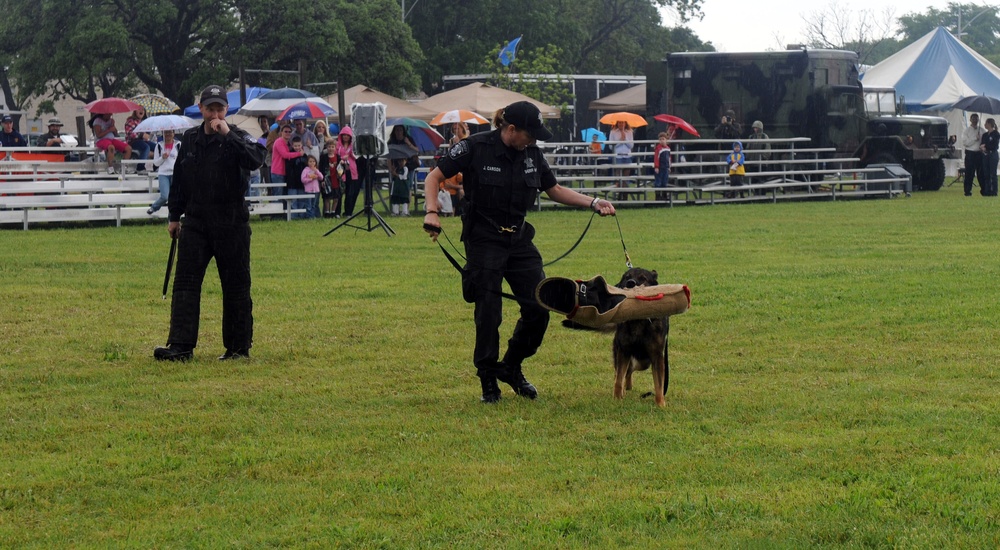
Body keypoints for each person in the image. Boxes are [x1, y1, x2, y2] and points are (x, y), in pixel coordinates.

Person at [422, 101, 617, 403]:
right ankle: (488, 379)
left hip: (519, 241)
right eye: (530, 134)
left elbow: (554, 190)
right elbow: (433, 177)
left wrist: (593, 202)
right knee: (489, 312)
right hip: (484, 239)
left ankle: (511, 366)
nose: (534, 140)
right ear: (510, 129)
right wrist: (432, 213)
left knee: (540, 305)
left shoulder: (532, 154)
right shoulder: (475, 147)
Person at [153, 84, 266, 362]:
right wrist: (173, 216)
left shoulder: (238, 136)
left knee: (236, 285)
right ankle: (180, 346)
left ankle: (238, 349)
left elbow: (256, 159)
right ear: (201, 109)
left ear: (227, 110)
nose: (214, 113)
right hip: (196, 221)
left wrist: (227, 134)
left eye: (220, 108)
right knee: (185, 285)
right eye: (209, 108)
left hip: (231, 221)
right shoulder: (189, 139)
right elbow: (179, 180)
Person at [147, 129, 179, 215]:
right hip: (163, 174)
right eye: (166, 132)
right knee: (165, 196)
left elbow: (181, 160)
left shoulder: (178, 145)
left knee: (173, 198)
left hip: (175, 174)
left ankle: (172, 218)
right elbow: (156, 163)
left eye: (170, 132)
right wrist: (162, 158)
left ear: (173, 133)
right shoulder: (159, 146)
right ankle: (154, 207)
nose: (168, 134)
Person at [336, 126, 361, 216]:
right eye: (344, 135)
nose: (345, 137)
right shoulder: (338, 145)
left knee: (350, 193)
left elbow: (356, 156)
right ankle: (337, 212)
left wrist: (350, 154)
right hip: (341, 170)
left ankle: (348, 212)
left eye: (347, 135)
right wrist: (342, 158)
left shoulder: (353, 145)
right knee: (339, 191)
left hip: (351, 170)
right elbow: (336, 155)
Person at [270, 124, 301, 193]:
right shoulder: (279, 141)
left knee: (283, 196)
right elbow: (285, 155)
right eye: (285, 131)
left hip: (284, 172)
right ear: (281, 132)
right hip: (277, 172)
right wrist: (299, 154)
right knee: (278, 196)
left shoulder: (288, 143)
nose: (288, 133)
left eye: (289, 132)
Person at [284, 136, 310, 218]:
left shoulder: (305, 156)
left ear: (302, 145)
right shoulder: (289, 155)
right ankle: (294, 216)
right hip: (292, 182)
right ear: (292, 145)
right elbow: (288, 168)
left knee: (302, 200)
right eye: (295, 146)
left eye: (299, 145)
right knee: (293, 200)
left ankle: (302, 216)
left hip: (302, 182)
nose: (297, 147)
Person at [125, 108, 155, 174]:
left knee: (157, 147)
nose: (141, 111)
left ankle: (156, 166)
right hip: (133, 141)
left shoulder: (144, 122)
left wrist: (148, 132)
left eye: (143, 110)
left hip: (143, 141)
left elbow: (147, 135)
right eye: (139, 109)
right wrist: (142, 135)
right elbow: (130, 133)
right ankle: (140, 168)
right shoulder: (130, 121)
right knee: (146, 147)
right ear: (135, 111)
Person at [318, 139, 342, 217]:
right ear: (326, 148)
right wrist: (322, 180)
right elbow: (320, 169)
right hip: (327, 180)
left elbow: (341, 169)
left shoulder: (338, 157)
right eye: (329, 147)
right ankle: (327, 212)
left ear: (335, 148)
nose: (331, 149)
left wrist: (340, 174)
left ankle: (333, 212)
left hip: (336, 180)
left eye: (332, 147)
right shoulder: (324, 157)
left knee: (336, 198)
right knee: (327, 197)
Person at [744, 120, 771, 188]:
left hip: (762, 162)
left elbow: (767, 149)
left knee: (762, 179)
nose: (755, 129)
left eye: (756, 128)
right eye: (754, 128)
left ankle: (762, 193)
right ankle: (755, 192)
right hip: (753, 162)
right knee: (754, 179)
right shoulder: (751, 137)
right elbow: (748, 148)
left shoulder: (764, 137)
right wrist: (749, 157)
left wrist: (763, 157)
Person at [962, 113, 984, 197]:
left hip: (979, 153)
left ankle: (984, 190)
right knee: (969, 173)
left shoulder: (981, 130)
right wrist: (975, 138)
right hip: (970, 153)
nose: (975, 120)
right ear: (970, 120)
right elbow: (965, 142)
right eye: (973, 119)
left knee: (981, 173)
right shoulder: (966, 131)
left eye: (976, 119)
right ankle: (967, 191)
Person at [609, 120, 634, 190]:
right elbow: (611, 147)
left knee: (626, 177)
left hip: (627, 156)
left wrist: (625, 139)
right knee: (618, 176)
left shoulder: (629, 132)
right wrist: (620, 141)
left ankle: (624, 195)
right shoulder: (613, 132)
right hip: (618, 156)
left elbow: (631, 146)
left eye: (623, 122)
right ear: (617, 123)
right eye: (619, 122)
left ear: (625, 123)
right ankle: (619, 193)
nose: (621, 124)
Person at [300, 155, 323, 219]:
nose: (312, 163)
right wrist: (310, 179)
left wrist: (316, 171)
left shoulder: (316, 170)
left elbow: (321, 177)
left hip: (316, 190)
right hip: (308, 190)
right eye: (310, 161)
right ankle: (309, 216)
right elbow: (303, 180)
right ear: (307, 162)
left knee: (314, 204)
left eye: (313, 161)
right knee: (308, 204)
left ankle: (314, 215)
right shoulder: (305, 170)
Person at [980, 118, 999, 197]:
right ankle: (987, 190)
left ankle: (994, 191)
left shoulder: (996, 134)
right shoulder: (985, 135)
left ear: (989, 124)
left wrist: (986, 146)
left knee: (993, 173)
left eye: (986, 123)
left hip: (993, 154)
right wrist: (982, 147)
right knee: (986, 173)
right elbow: (982, 143)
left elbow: (995, 145)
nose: (985, 125)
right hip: (985, 155)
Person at [652, 132, 670, 201]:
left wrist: (669, 167)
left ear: (666, 140)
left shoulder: (668, 149)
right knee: (658, 182)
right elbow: (656, 158)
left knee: (664, 182)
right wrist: (656, 166)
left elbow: (669, 158)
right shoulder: (658, 149)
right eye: (660, 139)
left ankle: (664, 195)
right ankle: (658, 196)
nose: (662, 141)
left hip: (666, 167)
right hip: (660, 168)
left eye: (663, 139)